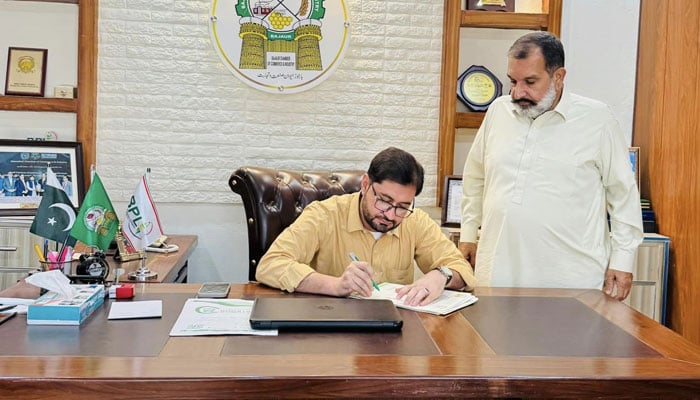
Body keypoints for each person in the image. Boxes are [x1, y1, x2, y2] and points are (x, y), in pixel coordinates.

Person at [459, 31, 643, 301]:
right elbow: (475, 177)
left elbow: (623, 195)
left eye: (530, 81)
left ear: (559, 76)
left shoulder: (598, 119)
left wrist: (623, 261)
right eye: (513, 81)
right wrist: (467, 235)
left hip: (572, 280)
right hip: (497, 273)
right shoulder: (499, 111)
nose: (518, 92)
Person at [256, 147, 478, 306]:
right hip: (331, 330)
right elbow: (271, 265)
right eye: (383, 201)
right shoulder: (324, 215)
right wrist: (336, 286)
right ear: (365, 185)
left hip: (393, 337)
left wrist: (442, 275)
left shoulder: (415, 221)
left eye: (402, 206)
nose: (390, 215)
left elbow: (462, 268)